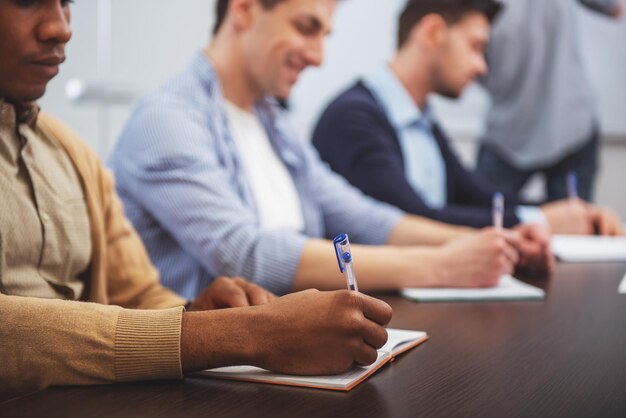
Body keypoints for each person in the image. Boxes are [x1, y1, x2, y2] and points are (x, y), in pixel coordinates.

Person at [0, 0, 394, 391]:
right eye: (26, 2)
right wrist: (237, 335)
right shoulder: (166, 119)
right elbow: (244, 252)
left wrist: (193, 313)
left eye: (67, 3)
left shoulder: (71, 152)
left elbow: (134, 293)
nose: (61, 28)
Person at [110, 0, 552, 301]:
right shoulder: (165, 121)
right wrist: (440, 266)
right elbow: (247, 255)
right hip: (201, 381)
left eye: (326, 35)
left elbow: (361, 215)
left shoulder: (274, 125)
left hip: (279, 352)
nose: (320, 56)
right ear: (244, 9)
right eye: (306, 28)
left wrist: (492, 243)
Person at [312, 0, 624, 235]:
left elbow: (479, 195)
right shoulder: (353, 118)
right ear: (433, 33)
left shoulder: (421, 120)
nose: (482, 67)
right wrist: (541, 221)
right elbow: (415, 222)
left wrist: (573, 212)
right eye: (476, 47)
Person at [476, 0, 623, 203]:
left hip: (570, 130)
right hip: (508, 134)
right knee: (482, 218)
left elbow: (615, 9)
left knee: (574, 227)